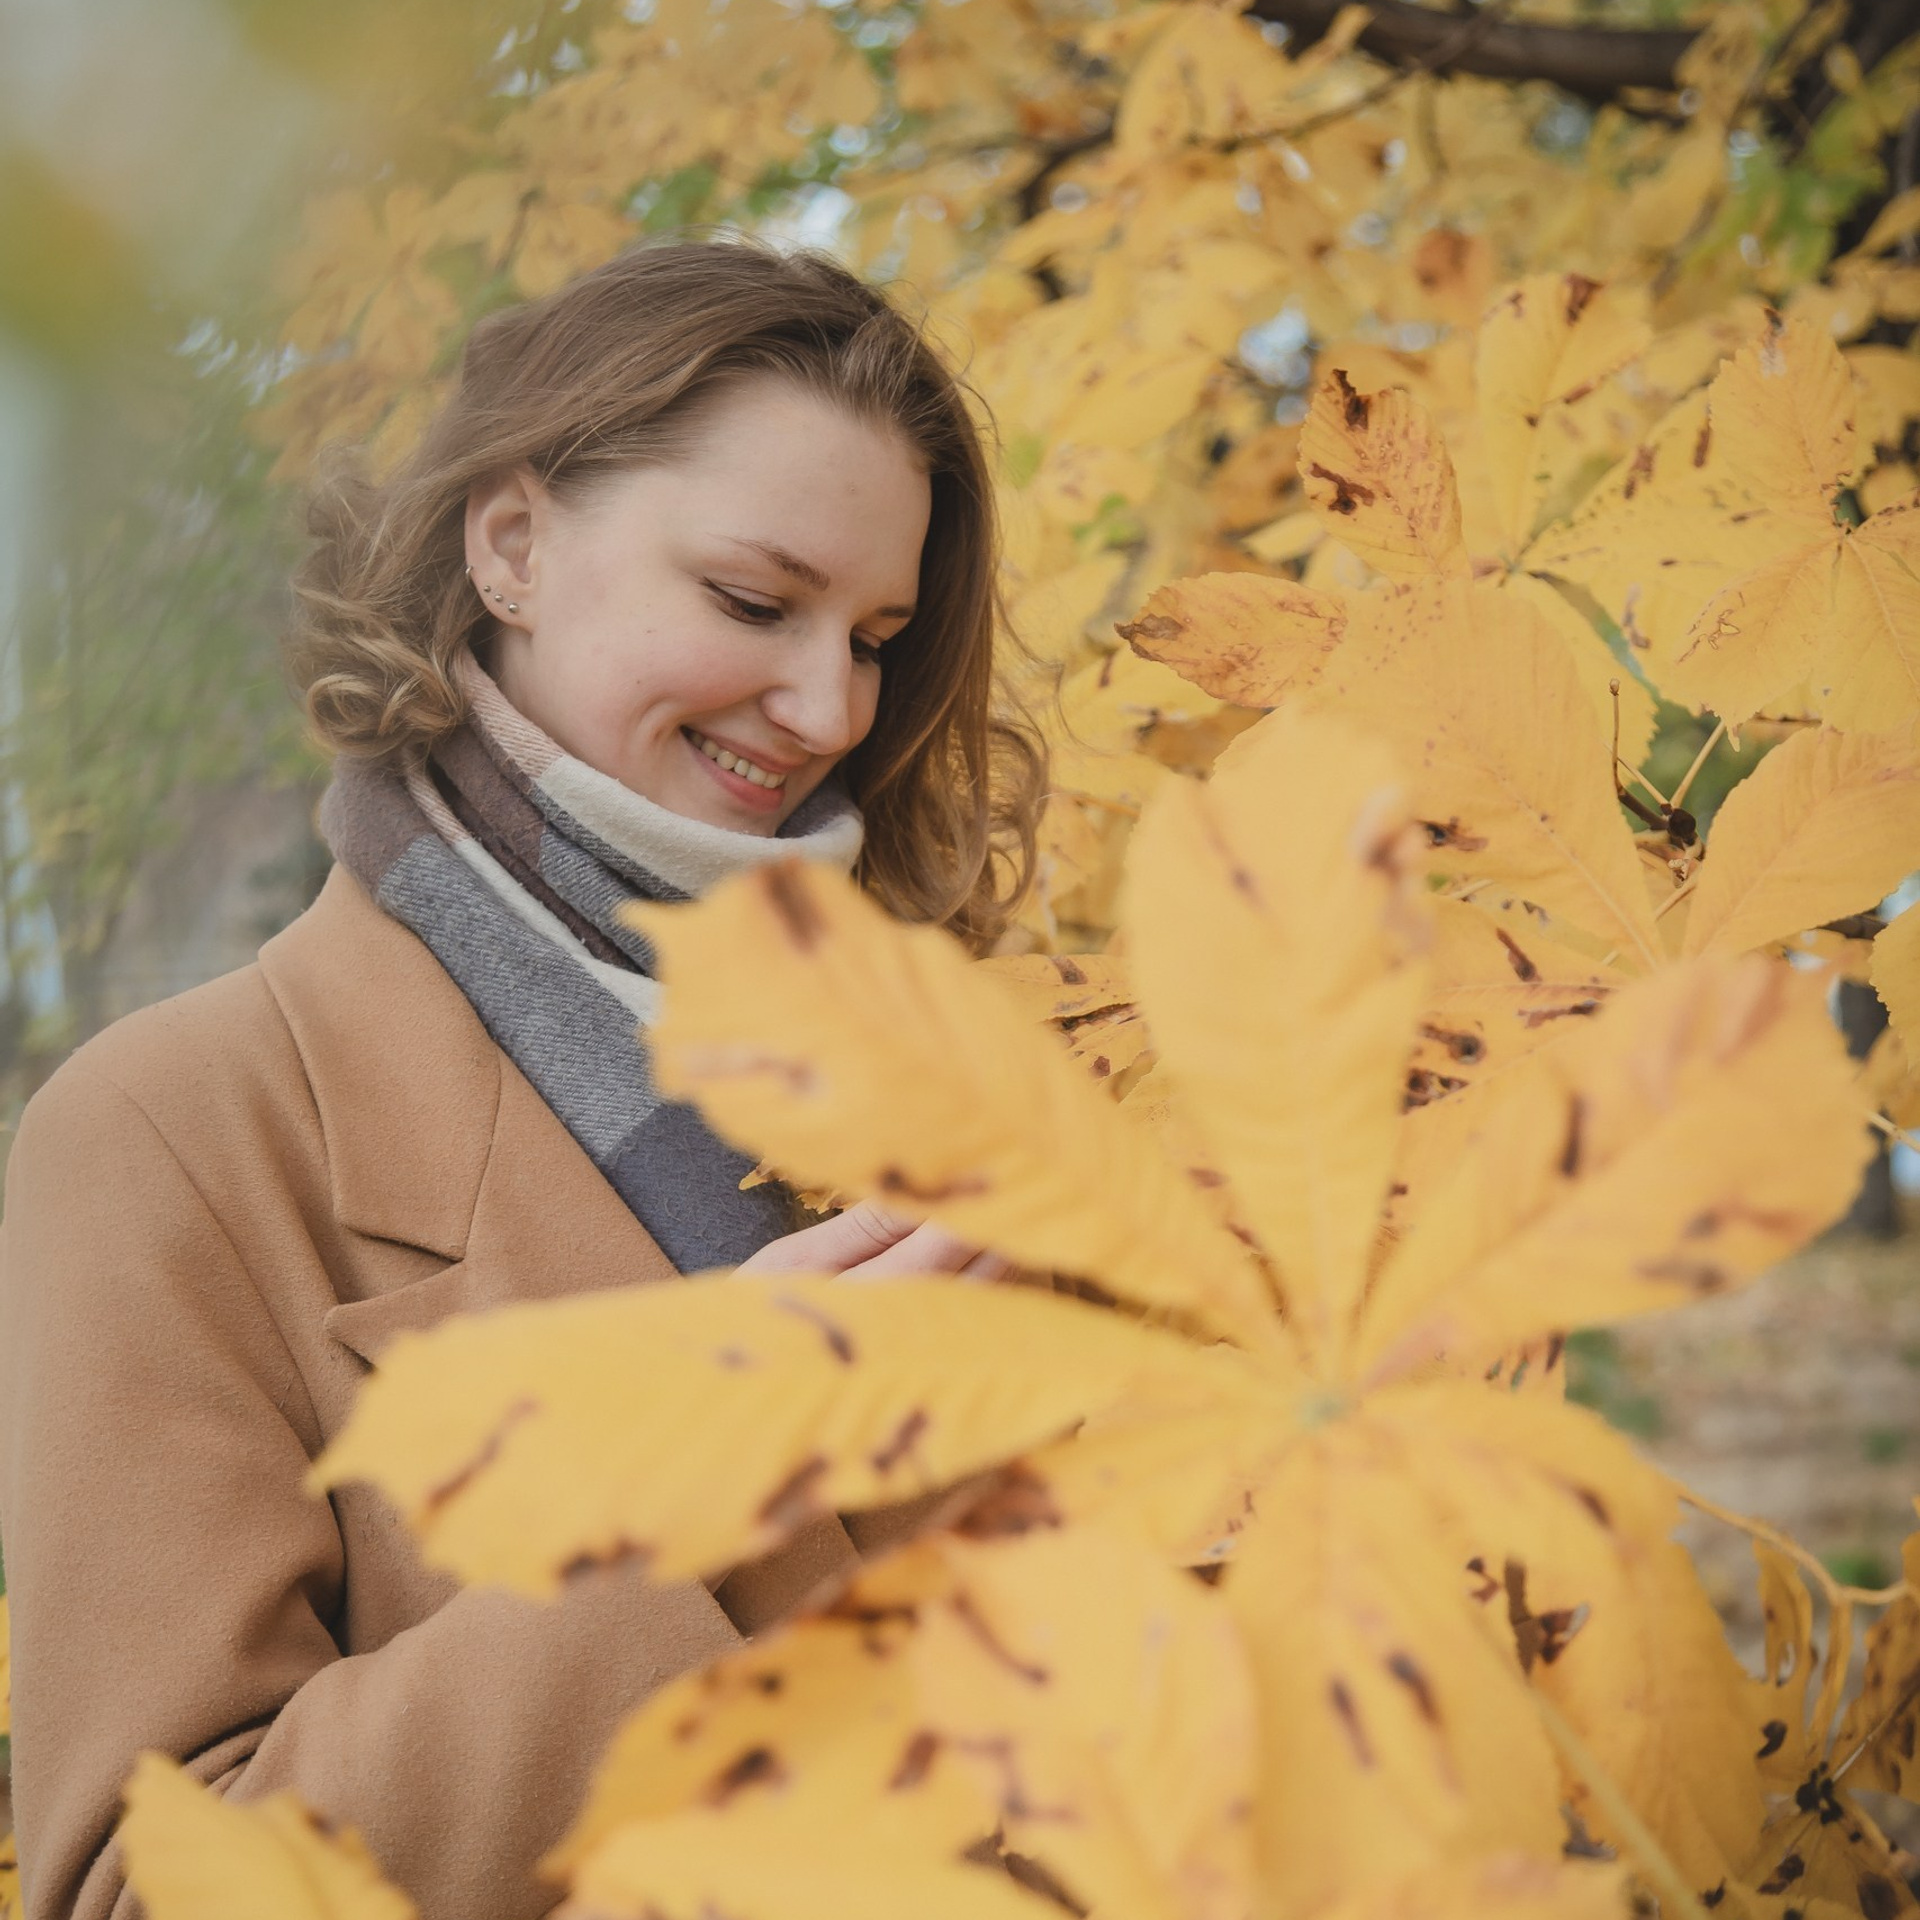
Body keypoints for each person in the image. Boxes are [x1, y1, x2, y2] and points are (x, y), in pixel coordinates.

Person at [0, 235, 1044, 1920]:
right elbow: (143, 1889)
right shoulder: (178, 1132)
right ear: (513, 543)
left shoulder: (960, 1069)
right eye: (754, 602)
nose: (827, 703)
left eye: (876, 634)